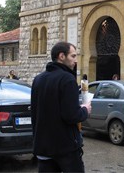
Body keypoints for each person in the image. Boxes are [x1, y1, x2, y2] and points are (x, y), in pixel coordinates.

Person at [31, 41, 92, 173]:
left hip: (43, 147)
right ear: (61, 56)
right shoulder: (67, 79)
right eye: (73, 56)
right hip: (65, 148)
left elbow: (36, 113)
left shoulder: (38, 80)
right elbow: (71, 115)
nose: (75, 60)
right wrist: (85, 110)